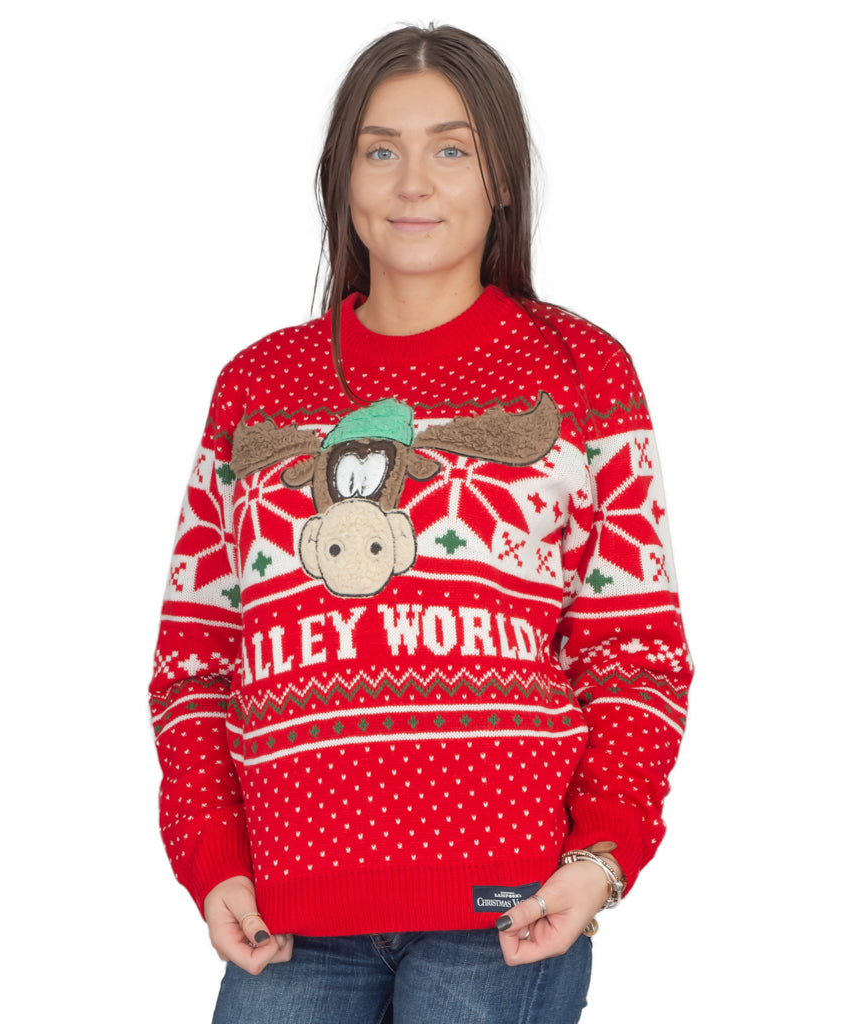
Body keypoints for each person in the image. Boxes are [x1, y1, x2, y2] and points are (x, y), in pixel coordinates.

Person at [149, 23, 693, 1024]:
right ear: (341, 176)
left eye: (451, 149)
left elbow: (635, 650)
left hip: (510, 906)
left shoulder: (580, 373)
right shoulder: (258, 387)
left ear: (502, 178)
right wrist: (210, 854)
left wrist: (601, 856)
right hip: (290, 912)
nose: (412, 184)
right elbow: (197, 655)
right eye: (379, 150)